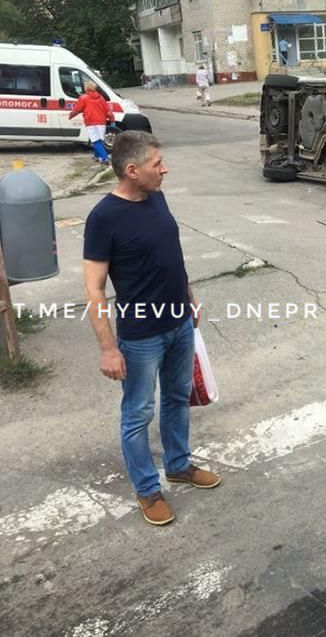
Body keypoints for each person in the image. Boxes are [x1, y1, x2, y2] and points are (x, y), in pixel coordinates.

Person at [83, 131, 221, 526]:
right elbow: (93, 288)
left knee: (177, 397)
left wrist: (189, 296)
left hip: (178, 323)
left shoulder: (156, 197)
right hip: (141, 336)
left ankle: (178, 464)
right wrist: (108, 348)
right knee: (138, 412)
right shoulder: (104, 217)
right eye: (156, 164)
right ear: (132, 171)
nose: (165, 169)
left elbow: (171, 255)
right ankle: (148, 489)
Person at [69, 80, 113, 165]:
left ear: (86, 87)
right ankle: (96, 156)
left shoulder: (83, 98)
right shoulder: (101, 97)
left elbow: (77, 109)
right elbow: (107, 110)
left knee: (95, 141)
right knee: (99, 141)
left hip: (91, 122)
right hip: (101, 122)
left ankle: (105, 157)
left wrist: (70, 115)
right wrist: (112, 118)